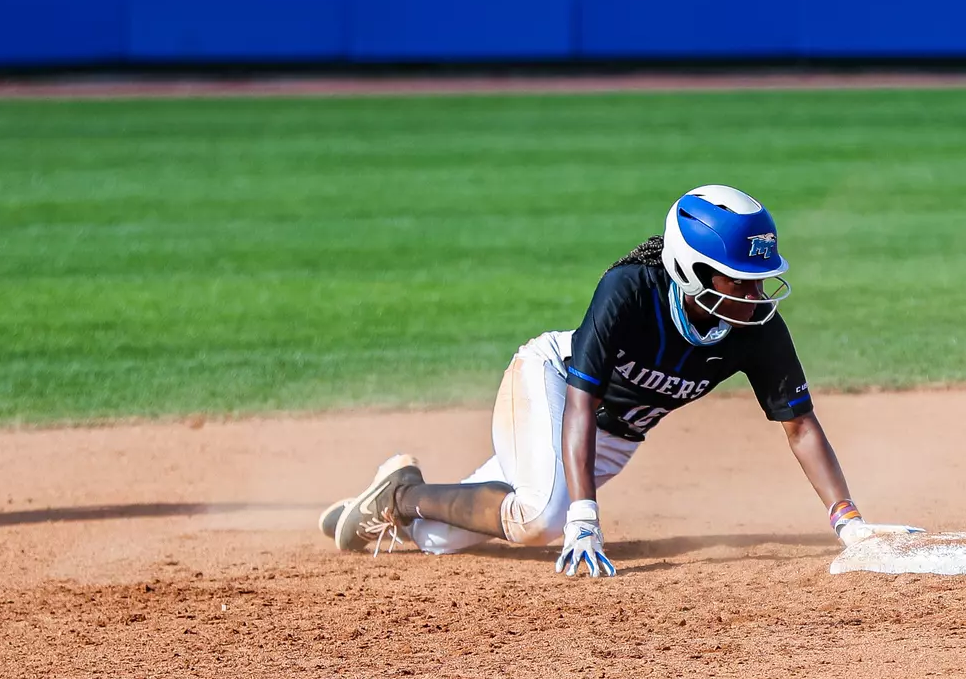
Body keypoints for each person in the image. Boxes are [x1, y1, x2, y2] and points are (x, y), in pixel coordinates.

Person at [321, 184, 914, 577]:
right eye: (740, 279)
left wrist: (849, 522)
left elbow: (799, 424)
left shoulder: (753, 325)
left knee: (447, 539)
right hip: (553, 385)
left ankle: (398, 508)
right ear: (693, 269)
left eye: (760, 278)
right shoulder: (629, 290)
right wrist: (583, 512)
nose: (756, 294)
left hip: (615, 436)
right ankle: (402, 493)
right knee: (544, 519)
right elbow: (581, 398)